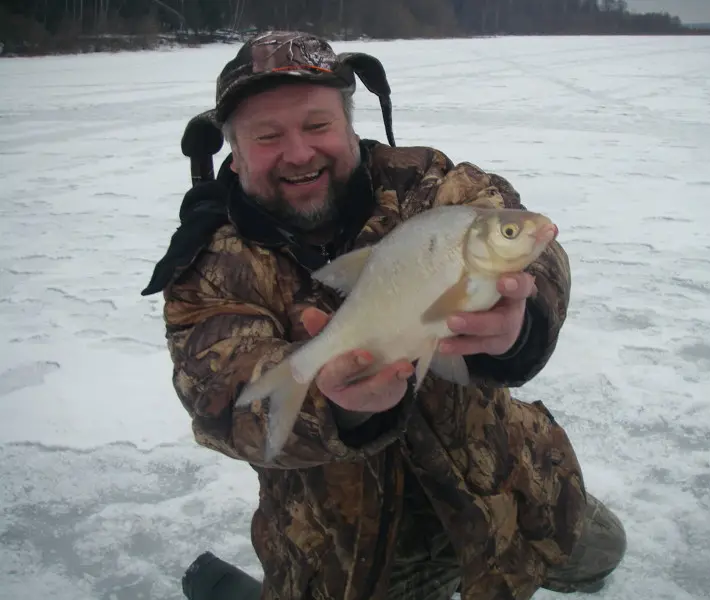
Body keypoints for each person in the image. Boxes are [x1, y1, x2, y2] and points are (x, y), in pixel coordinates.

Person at [142, 30, 626, 600]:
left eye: (318, 126)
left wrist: (524, 319)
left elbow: (513, 226)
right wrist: (337, 407)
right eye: (267, 137)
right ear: (236, 151)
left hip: (509, 481)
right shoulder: (208, 263)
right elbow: (218, 400)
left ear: (349, 125)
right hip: (351, 554)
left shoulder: (425, 184)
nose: (299, 153)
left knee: (601, 548)